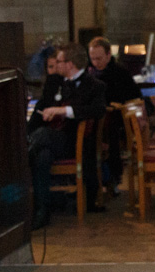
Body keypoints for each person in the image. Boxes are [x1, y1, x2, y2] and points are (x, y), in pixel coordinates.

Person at [27, 43, 107, 227]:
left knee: (43, 137)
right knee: (43, 156)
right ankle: (42, 211)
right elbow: (43, 107)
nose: (56, 64)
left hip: (75, 142)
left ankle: (23, 152)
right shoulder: (54, 82)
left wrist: (64, 111)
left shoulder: (94, 85)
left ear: (70, 64)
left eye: (60, 61)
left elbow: (98, 109)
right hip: (50, 141)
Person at [88, 37, 139, 194]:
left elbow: (133, 97)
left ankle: (111, 177)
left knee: (109, 131)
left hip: (116, 120)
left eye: (99, 58)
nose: (96, 62)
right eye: (92, 59)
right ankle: (90, 180)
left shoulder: (120, 73)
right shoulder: (87, 74)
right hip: (93, 118)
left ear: (109, 55)